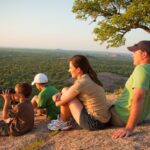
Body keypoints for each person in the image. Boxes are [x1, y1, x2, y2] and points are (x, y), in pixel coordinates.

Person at [48, 55, 111, 131]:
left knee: (68, 97)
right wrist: (60, 93)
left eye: (71, 68)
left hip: (94, 123)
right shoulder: (89, 78)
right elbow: (68, 90)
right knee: (65, 90)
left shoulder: (81, 83)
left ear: (78, 69)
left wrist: (55, 98)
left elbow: (59, 103)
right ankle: (64, 121)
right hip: (104, 120)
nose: (69, 70)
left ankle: (63, 122)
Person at [111, 41, 150, 138]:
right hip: (138, 118)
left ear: (144, 54)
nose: (132, 56)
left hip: (121, 116)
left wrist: (129, 128)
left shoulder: (142, 69)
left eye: (135, 53)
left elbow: (139, 97)